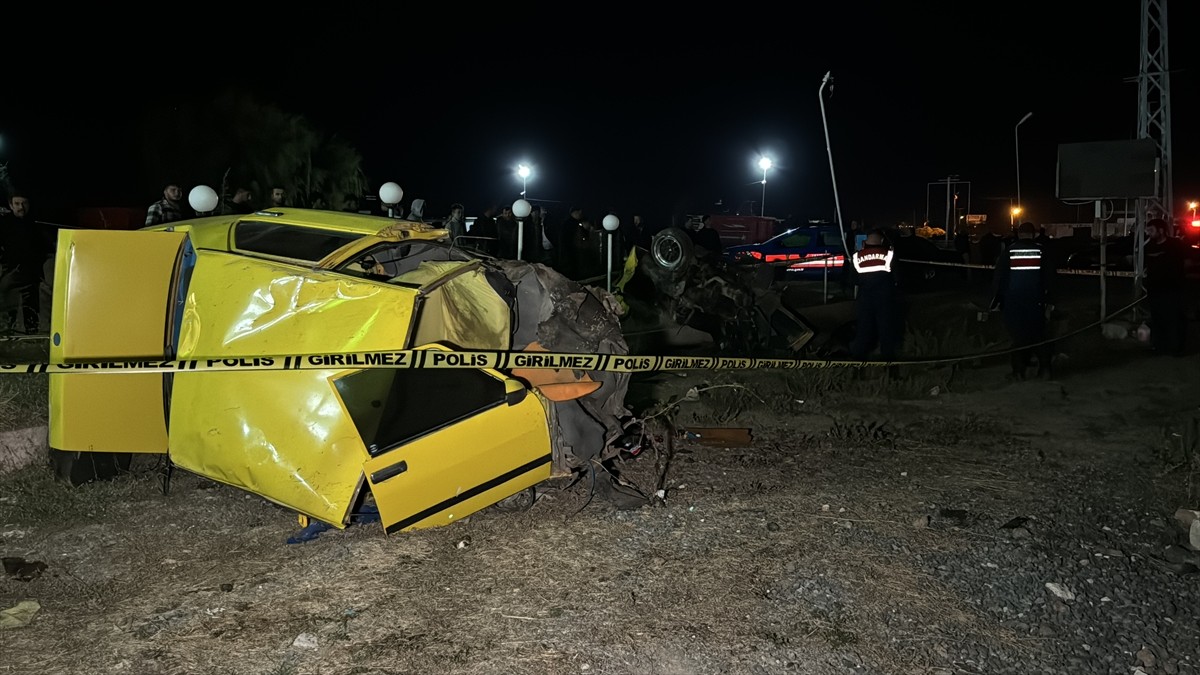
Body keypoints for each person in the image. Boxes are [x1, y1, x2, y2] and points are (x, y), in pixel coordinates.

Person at [992, 222, 1054, 380]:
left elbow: (999, 278)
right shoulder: (1042, 251)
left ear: (1018, 234)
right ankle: (1045, 370)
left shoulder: (1009, 251)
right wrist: (1049, 300)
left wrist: (997, 300)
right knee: (1038, 334)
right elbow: (1050, 278)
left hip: (1014, 301)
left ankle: (1018, 372)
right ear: (1033, 235)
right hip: (1036, 300)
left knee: (1018, 336)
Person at [0, 191, 57, 333]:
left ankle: (36, 331)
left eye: (24, 203)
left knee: (35, 298)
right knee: (6, 288)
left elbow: (49, 247)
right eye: (17, 204)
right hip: (13, 269)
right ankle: (8, 328)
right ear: (10, 205)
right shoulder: (4, 224)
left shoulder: (37, 223)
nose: (21, 207)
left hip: (35, 269)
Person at [849, 230, 902, 371]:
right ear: (881, 242)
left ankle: (857, 368)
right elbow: (898, 278)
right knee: (886, 332)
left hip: (864, 300)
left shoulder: (856, 257)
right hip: (885, 300)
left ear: (865, 242)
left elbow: (852, 280)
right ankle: (890, 369)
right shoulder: (889, 255)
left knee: (862, 332)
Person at [1142, 218, 1187, 356]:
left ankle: (1176, 348)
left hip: (1171, 289)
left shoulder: (1175, 245)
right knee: (1157, 318)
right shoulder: (1149, 246)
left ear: (1161, 230)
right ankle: (1158, 346)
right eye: (1148, 231)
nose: (1149, 233)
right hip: (1155, 289)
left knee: (1173, 318)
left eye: (1151, 230)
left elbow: (1183, 263)